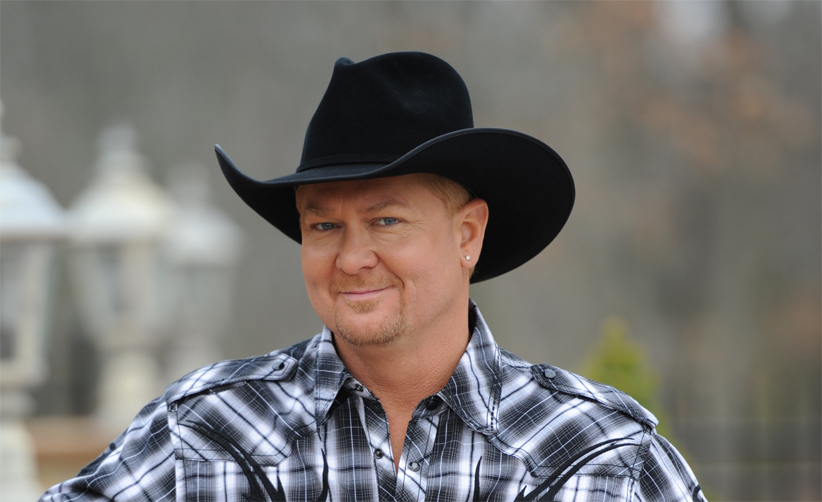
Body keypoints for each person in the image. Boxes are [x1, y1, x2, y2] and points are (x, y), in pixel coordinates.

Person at [41, 52, 706, 502]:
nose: (351, 257)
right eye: (324, 225)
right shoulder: (203, 432)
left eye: (386, 221)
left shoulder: (603, 458)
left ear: (467, 234)